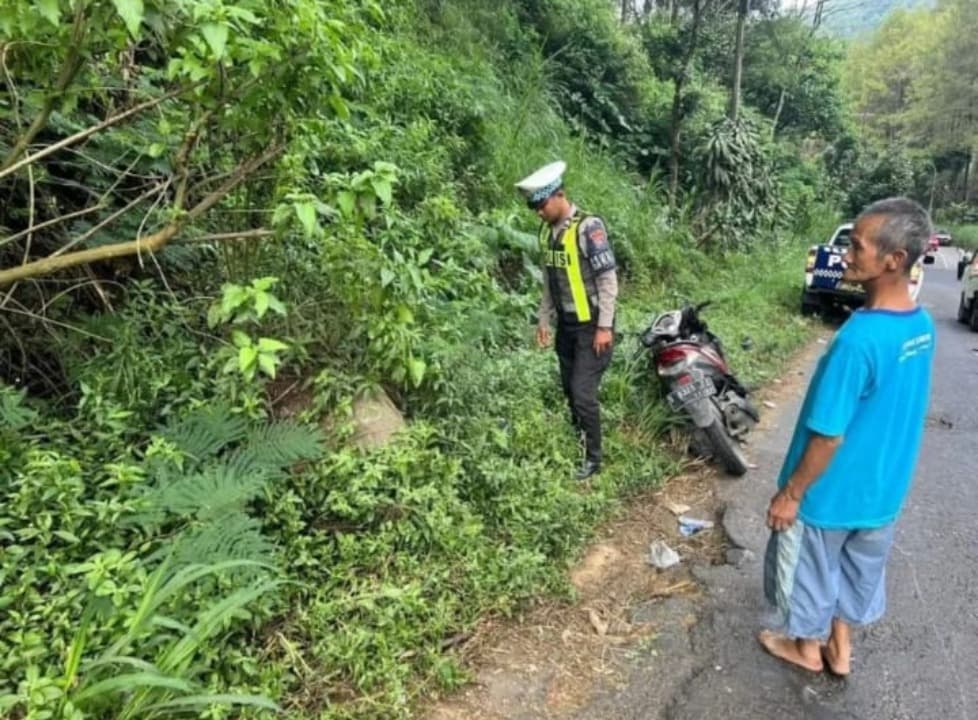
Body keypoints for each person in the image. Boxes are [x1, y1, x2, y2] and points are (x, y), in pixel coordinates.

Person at [759, 197, 936, 677]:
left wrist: (791, 494)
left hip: (830, 494)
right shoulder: (920, 326)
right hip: (883, 491)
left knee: (810, 571)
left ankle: (806, 649)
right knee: (856, 570)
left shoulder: (858, 340)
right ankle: (842, 650)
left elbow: (828, 436)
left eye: (857, 246)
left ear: (893, 260)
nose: (846, 254)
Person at [515, 161, 618, 480]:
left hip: (592, 327)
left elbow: (608, 280)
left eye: (541, 204)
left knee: (582, 391)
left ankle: (594, 459)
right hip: (566, 326)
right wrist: (543, 320)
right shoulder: (548, 234)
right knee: (569, 388)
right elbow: (549, 280)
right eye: (533, 206)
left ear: (559, 195)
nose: (538, 212)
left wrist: (604, 327)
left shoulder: (589, 228)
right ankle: (580, 439)